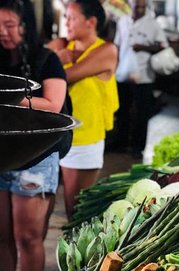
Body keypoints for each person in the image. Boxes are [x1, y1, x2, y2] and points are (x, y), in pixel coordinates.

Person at [0, 0, 67, 271]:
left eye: (10, 25)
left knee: (27, 235)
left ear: (25, 26)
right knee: (1, 233)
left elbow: (54, 104)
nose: (3, 32)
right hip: (2, 157)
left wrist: (11, 99)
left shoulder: (46, 60)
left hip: (36, 158)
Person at [49, 0, 119, 220]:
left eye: (72, 17)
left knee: (76, 209)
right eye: (66, 17)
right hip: (57, 136)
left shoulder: (106, 50)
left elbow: (66, 76)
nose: (66, 22)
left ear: (91, 22)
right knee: (53, 204)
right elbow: (32, 66)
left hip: (85, 139)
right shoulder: (62, 44)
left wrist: (55, 62)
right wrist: (56, 58)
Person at [116, 0, 166, 158]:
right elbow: (117, 45)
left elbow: (162, 45)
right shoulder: (123, 21)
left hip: (144, 75)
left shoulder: (153, 24)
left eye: (142, 7)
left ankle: (138, 147)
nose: (139, 10)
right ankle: (121, 142)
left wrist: (143, 47)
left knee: (142, 113)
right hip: (123, 73)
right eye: (136, 6)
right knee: (122, 110)